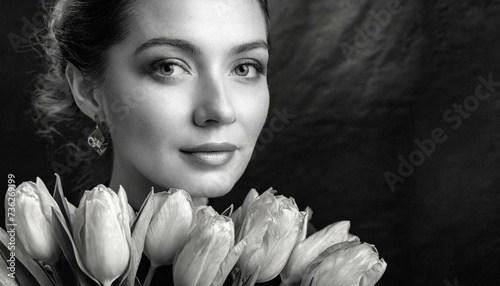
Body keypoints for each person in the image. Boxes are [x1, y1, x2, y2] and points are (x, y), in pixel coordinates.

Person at [33, 0, 277, 285]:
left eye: (245, 68)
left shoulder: (289, 268)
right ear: (88, 92)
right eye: (168, 67)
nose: (221, 110)